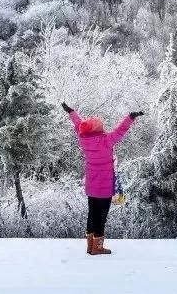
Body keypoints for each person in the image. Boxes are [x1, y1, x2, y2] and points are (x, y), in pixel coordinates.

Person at [61, 102, 145, 255]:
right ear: (98, 129)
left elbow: (78, 124)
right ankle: (97, 247)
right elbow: (121, 131)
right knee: (101, 217)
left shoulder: (83, 139)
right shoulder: (106, 141)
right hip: (105, 188)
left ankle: (89, 246)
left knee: (92, 214)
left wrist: (71, 112)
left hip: (91, 187)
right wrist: (131, 117)